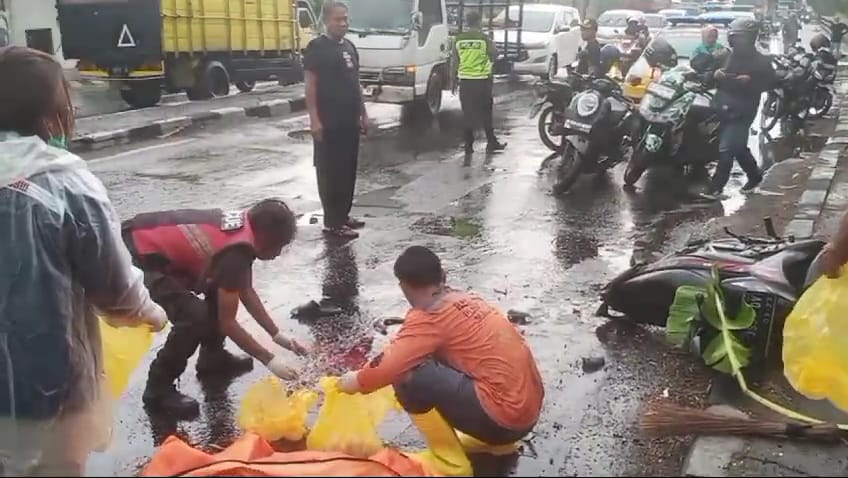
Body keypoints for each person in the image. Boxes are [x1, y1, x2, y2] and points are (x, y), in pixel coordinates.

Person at [0, 46, 167, 476]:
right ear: (50, 110)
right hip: (45, 389)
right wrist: (150, 312)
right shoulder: (64, 184)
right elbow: (114, 289)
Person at [337, 246, 544, 452]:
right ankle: (484, 437)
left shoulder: (429, 315)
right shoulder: (467, 299)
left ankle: (444, 452)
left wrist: (355, 381)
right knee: (427, 356)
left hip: (503, 423)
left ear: (403, 285)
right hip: (528, 413)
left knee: (409, 375)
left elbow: (389, 368)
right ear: (442, 275)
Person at [122, 200, 309, 418]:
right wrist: (269, 360)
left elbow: (245, 290)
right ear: (266, 236)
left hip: (145, 243)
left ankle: (213, 360)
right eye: (279, 245)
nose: (278, 253)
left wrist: (278, 336)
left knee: (220, 290)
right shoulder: (235, 253)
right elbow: (228, 323)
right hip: (138, 257)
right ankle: (158, 390)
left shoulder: (245, 232)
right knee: (194, 317)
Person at [304, 1, 368, 240]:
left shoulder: (349, 47)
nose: (343, 23)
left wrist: (363, 114)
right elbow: (310, 85)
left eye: (345, 19)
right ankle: (332, 222)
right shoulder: (317, 48)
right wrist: (315, 120)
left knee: (348, 169)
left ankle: (344, 214)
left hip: (349, 122)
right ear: (326, 21)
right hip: (328, 123)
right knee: (330, 172)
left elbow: (355, 83)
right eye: (338, 19)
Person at [702, 18, 775, 200]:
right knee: (738, 146)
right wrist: (714, 75)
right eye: (735, 37)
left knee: (727, 148)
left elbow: (772, 82)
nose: (738, 41)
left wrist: (751, 81)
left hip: (744, 109)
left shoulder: (761, 61)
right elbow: (706, 77)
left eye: (742, 38)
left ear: (751, 38)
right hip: (722, 106)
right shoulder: (724, 56)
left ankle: (716, 187)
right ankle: (755, 176)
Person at [450, 10, 507, 159]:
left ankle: (468, 146)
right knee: (486, 112)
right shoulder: (484, 38)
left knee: (467, 114)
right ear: (479, 21)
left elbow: (454, 61)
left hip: (465, 82)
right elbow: (495, 54)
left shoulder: (458, 39)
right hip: (482, 81)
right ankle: (491, 142)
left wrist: (453, 80)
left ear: (467, 22)